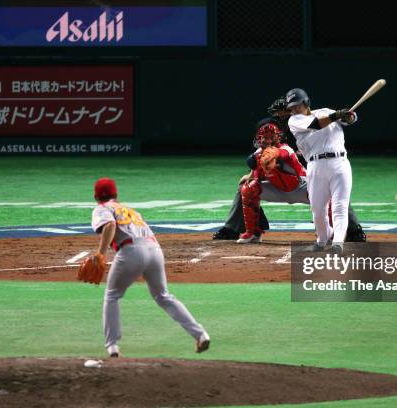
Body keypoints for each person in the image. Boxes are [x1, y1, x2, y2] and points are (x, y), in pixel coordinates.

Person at [212, 97, 366, 242]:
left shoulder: (307, 122)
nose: (278, 116)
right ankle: (236, 229)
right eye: (277, 113)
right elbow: (261, 154)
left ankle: (352, 230)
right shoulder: (272, 129)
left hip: (308, 172)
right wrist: (253, 173)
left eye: (282, 112)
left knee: (334, 190)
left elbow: (327, 122)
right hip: (280, 174)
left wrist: (347, 116)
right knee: (246, 187)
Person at [90, 177, 210, 357]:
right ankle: (201, 334)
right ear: (116, 194)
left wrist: (100, 253)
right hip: (154, 250)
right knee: (163, 296)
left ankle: (112, 347)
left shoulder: (102, 208)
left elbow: (109, 225)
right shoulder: (131, 211)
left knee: (112, 296)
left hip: (131, 251)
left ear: (96, 196)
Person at [286, 88, 357, 253]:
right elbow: (316, 124)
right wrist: (337, 115)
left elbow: (351, 119)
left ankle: (338, 242)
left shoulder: (326, 111)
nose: (294, 109)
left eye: (297, 105)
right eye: (292, 107)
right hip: (316, 166)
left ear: (306, 102)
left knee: (340, 205)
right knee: (318, 209)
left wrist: (349, 115)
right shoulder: (294, 121)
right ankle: (323, 238)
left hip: (340, 163)